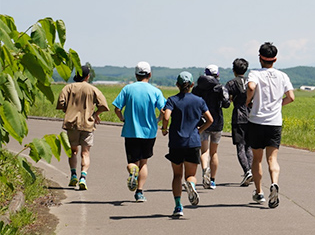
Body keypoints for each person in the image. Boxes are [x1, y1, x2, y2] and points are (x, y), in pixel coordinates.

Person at [246, 42, 294, 208]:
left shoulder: (255, 73)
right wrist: (277, 105)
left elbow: (251, 86)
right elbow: (291, 97)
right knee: (272, 159)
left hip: (256, 121)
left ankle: (259, 192)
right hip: (275, 123)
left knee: (257, 159)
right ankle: (274, 183)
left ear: (260, 57)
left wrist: (247, 101)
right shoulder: (283, 76)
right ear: (275, 59)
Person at [162, 71, 213, 217]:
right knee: (191, 174)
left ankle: (178, 206)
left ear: (177, 85)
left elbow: (166, 116)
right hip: (193, 142)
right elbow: (210, 119)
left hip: (176, 142)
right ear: (191, 85)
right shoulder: (199, 101)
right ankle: (191, 185)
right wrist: (200, 129)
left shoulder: (172, 100)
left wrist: (165, 128)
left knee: (177, 175)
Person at [112, 61, 166, 202]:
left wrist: (122, 119)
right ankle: (140, 192)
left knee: (132, 161)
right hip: (149, 132)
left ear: (136, 75)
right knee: (144, 162)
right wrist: (158, 120)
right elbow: (164, 110)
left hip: (131, 131)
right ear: (150, 74)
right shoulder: (155, 91)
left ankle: (132, 171)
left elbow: (117, 108)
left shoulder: (127, 89)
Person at [56, 65, 109, 191]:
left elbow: (60, 103)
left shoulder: (68, 88)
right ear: (87, 76)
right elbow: (104, 106)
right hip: (87, 124)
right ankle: (83, 177)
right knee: (85, 152)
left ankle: (73, 174)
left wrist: (67, 110)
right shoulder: (93, 89)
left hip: (71, 124)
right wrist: (95, 114)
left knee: (73, 151)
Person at [192, 64, 230, 189]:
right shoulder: (220, 88)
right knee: (214, 152)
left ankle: (204, 170)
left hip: (202, 122)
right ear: (217, 75)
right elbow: (226, 104)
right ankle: (212, 180)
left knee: (204, 151)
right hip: (217, 123)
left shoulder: (197, 88)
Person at [225, 58, 253, 186]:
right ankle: (251, 170)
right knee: (249, 146)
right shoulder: (251, 82)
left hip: (238, 116)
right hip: (251, 116)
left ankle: (247, 171)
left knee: (240, 147)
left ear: (234, 70)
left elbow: (225, 99)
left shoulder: (230, 83)